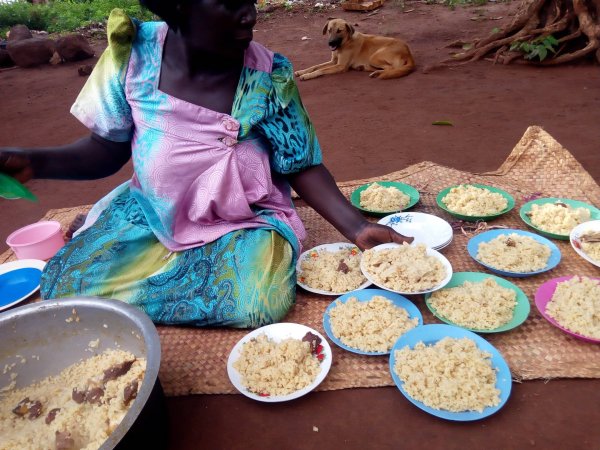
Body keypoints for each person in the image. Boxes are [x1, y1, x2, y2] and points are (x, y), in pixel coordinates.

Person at [0, 0, 412, 328]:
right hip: (154, 211)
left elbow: (299, 162)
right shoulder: (132, 58)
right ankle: (133, 247)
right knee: (63, 281)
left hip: (242, 217)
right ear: (177, 6)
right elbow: (105, 151)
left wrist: (357, 226)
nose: (250, 11)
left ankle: (139, 264)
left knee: (257, 302)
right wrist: (35, 162)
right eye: (229, 1)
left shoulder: (269, 74)